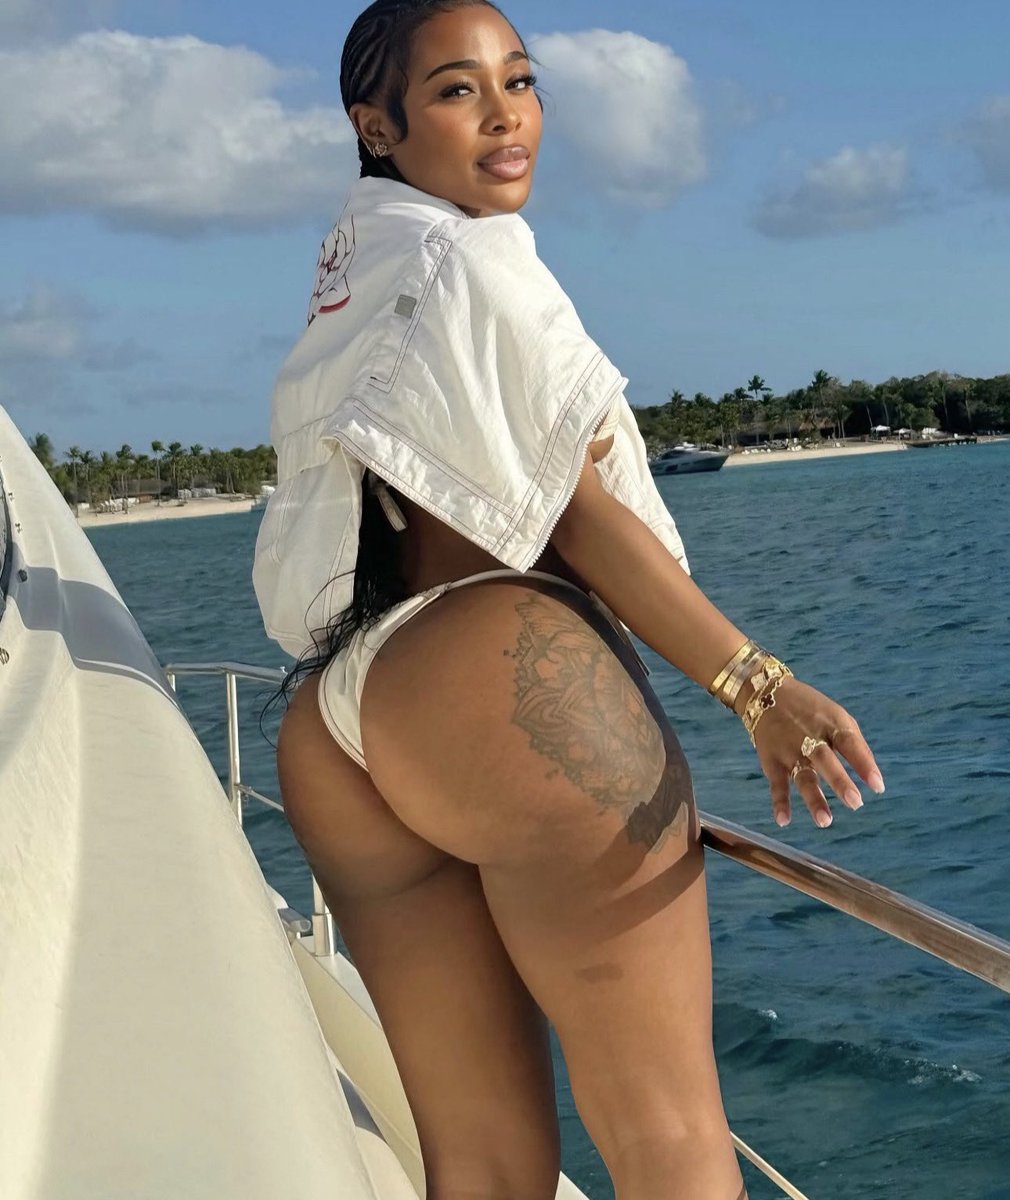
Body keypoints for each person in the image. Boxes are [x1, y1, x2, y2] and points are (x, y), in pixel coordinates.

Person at [257, 3, 885, 1197]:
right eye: (457, 90)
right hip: (496, 691)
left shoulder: (358, 272)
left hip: (344, 720)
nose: (505, 114)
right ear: (376, 126)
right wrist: (757, 687)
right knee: (668, 1141)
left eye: (521, 80)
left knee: (480, 1167)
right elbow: (574, 512)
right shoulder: (472, 262)